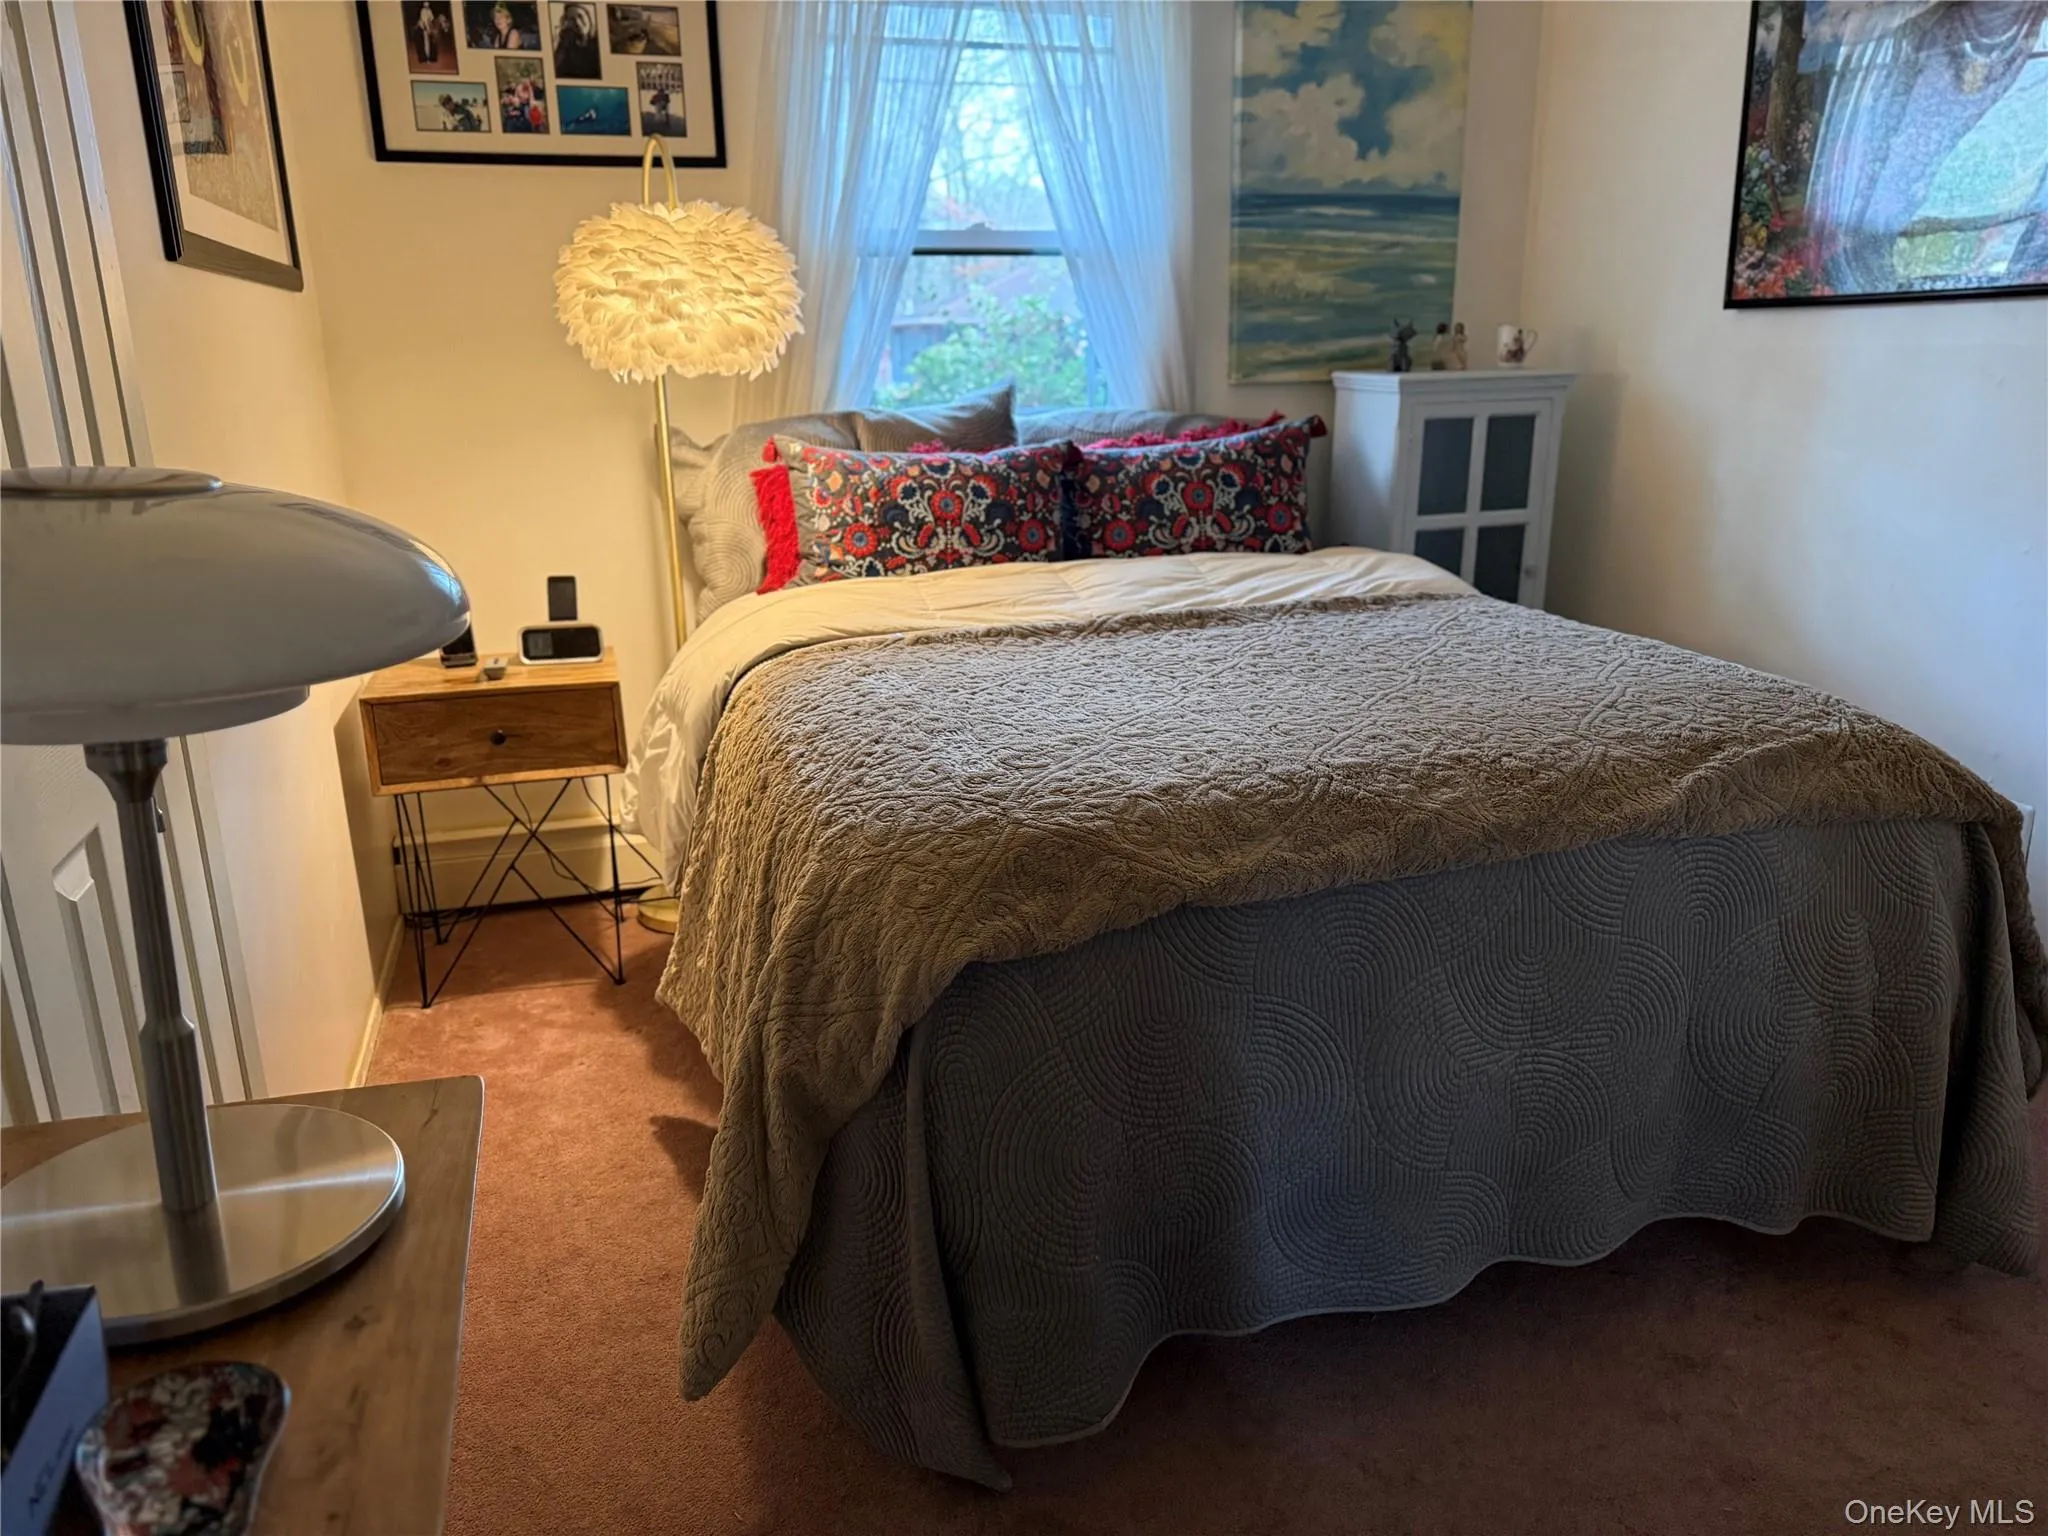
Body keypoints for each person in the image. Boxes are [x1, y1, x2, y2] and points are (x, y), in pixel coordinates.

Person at [552, 3, 599, 78]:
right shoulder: (567, 43)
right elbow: (554, 69)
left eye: (580, 16)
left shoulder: (598, 43)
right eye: (572, 19)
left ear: (589, 18)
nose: (577, 22)